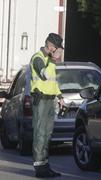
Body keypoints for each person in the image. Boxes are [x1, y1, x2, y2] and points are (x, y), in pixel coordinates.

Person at [30, 33, 65, 178]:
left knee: (48, 134)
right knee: (40, 134)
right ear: (50, 46)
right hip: (41, 100)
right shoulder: (38, 58)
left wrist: (60, 96)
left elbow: (52, 82)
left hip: (50, 100)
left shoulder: (50, 61)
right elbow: (43, 75)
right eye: (56, 48)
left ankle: (45, 164)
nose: (58, 51)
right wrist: (52, 58)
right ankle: (39, 167)